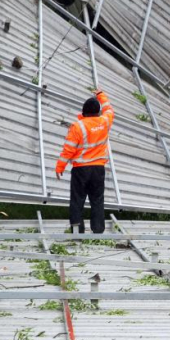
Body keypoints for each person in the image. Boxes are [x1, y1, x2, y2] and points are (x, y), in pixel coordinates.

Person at [55, 89, 114, 234]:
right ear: (98, 112)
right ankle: (98, 230)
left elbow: (69, 149)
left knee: (77, 200)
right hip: (98, 169)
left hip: (81, 169)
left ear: (84, 112)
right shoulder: (105, 121)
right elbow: (109, 108)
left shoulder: (78, 126)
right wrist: (100, 94)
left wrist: (60, 167)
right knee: (97, 200)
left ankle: (77, 231)